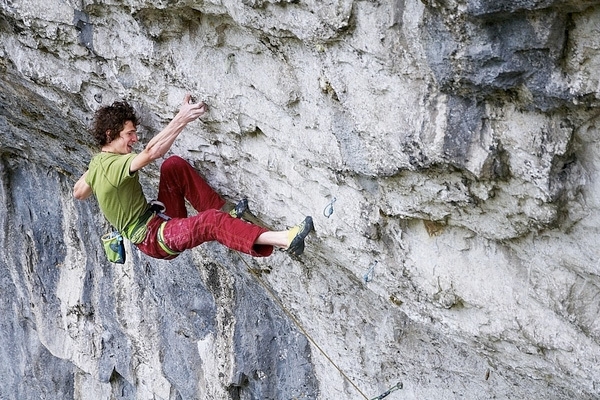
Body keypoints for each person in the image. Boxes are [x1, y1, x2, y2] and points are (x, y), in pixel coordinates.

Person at [73, 94, 313, 260]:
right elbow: (151, 152)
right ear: (110, 134)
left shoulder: (99, 164)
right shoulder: (112, 165)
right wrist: (182, 118)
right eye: (129, 133)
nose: (134, 139)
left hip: (160, 220)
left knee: (173, 167)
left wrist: (96, 170)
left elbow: (79, 192)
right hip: (154, 239)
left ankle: (226, 212)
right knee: (210, 223)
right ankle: (283, 239)